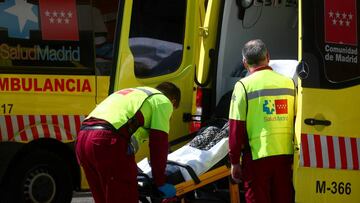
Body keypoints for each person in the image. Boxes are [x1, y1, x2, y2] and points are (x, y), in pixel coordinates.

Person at [75, 82, 181, 203]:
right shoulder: (163, 101)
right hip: (106, 141)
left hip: (83, 140)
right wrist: (160, 182)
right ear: (172, 101)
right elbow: (158, 144)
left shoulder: (135, 95)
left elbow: (130, 135)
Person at [228, 39, 296, 203]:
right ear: (268, 57)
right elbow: (295, 118)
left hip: (257, 156)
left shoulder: (243, 85)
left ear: (245, 63)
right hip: (285, 155)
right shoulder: (289, 83)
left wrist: (235, 162)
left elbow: (236, 128)